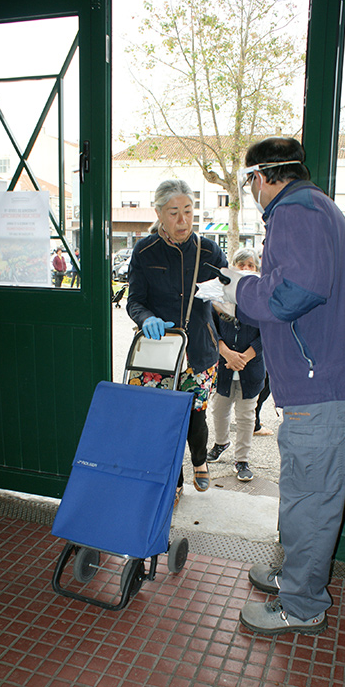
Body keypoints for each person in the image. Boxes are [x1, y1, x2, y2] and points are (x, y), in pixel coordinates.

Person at [220, 137, 345, 636]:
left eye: (250, 180)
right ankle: (294, 577)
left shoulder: (296, 212)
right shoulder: (315, 208)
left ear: (261, 176)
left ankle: (302, 604)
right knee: (302, 493)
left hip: (323, 385)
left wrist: (239, 289)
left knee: (310, 501)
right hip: (326, 381)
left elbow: (296, 292)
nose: (251, 189)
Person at [127, 179, 227, 502]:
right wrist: (146, 319)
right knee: (161, 421)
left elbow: (229, 294)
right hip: (159, 354)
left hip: (198, 351)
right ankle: (175, 478)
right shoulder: (144, 251)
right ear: (159, 213)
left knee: (196, 417)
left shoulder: (209, 250)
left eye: (188, 211)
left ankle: (199, 460)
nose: (183, 220)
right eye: (174, 212)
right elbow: (134, 301)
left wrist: (231, 293)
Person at [207, 248, 266, 482]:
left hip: (250, 367)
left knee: (246, 416)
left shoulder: (263, 298)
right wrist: (226, 353)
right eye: (241, 265)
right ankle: (221, 443)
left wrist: (245, 357)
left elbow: (268, 334)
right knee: (219, 409)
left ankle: (242, 459)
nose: (246, 269)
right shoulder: (219, 295)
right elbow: (211, 327)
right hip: (224, 366)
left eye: (251, 265)